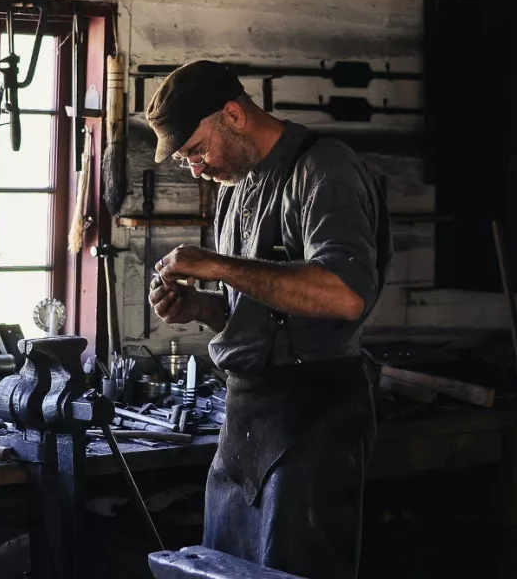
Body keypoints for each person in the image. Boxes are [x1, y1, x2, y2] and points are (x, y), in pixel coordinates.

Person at [145, 60, 392, 579]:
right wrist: (202, 308)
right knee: (223, 571)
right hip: (246, 421)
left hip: (314, 416)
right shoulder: (237, 191)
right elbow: (259, 313)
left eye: (195, 150)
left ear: (233, 115)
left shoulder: (324, 169)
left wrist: (216, 265)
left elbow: (346, 295)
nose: (195, 169)